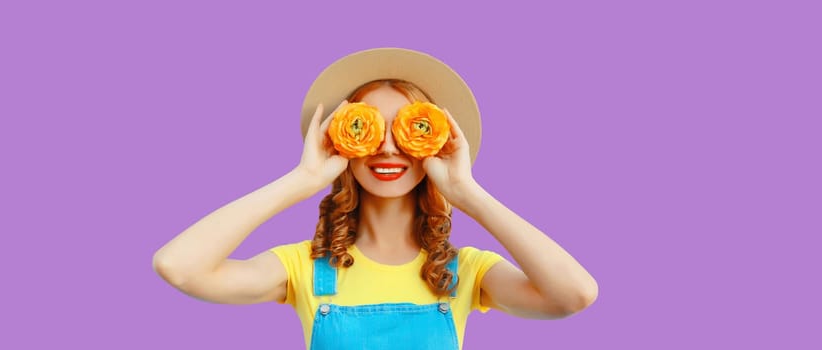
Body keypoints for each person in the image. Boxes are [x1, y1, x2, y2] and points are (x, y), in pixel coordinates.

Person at [152, 48, 598, 350]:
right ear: (342, 143)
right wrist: (302, 178)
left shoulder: (463, 272)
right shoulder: (303, 269)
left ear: (437, 143)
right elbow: (179, 266)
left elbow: (574, 294)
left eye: (409, 128)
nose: (387, 147)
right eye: (369, 129)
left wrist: (467, 192)